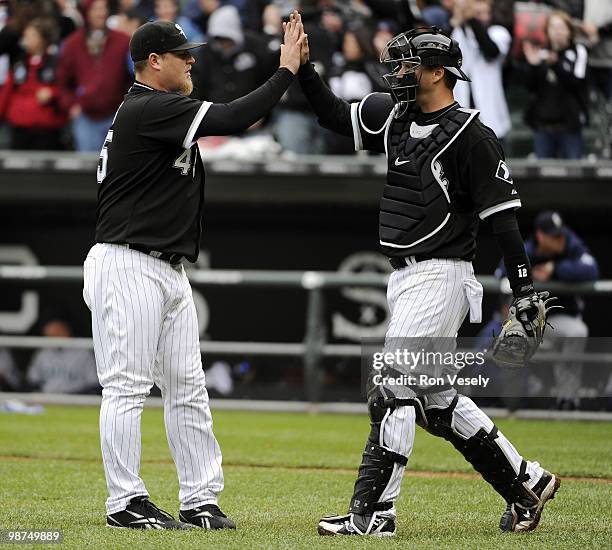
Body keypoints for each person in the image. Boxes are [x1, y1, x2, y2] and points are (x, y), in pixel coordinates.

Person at [296, 23, 560, 536]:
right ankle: (527, 482)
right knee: (436, 403)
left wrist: (524, 290)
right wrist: (302, 68)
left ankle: (374, 515)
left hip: (442, 274)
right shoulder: (395, 114)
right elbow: (333, 116)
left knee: (392, 388)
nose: (397, 72)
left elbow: (502, 220)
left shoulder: (473, 135)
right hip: (408, 278)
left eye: (408, 63)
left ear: (438, 72)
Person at [82, 15, 305, 529]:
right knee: (126, 387)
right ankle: (124, 502)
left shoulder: (158, 110)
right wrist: (285, 71)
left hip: (165, 266)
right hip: (128, 261)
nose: (192, 60)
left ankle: (200, 499)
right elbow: (231, 118)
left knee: (188, 387)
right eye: (183, 53)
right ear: (153, 61)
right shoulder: (148, 106)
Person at [497, 211, 599, 410]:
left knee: (577, 332)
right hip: (527, 323)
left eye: (561, 235)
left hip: (559, 321)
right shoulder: (526, 251)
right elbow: (501, 273)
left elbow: (591, 270)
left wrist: (556, 269)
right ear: (540, 235)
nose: (560, 240)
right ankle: (512, 404)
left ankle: (567, 401)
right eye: (554, 236)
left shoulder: (570, 244)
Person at [56, 0, 131, 152]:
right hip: (85, 117)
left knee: (114, 167)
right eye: (96, 9)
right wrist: (71, 105)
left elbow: (135, 76)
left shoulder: (123, 41)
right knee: (87, 168)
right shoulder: (72, 43)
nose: (101, 13)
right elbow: (62, 81)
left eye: (103, 9)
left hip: (116, 115)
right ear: (87, 13)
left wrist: (128, 105)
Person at [521, 10, 588, 159]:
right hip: (544, 125)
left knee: (573, 173)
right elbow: (530, 87)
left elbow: (577, 84)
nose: (557, 32)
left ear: (569, 31)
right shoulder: (541, 53)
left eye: (561, 27)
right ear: (547, 31)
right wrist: (533, 66)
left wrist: (556, 64)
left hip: (570, 125)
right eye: (553, 27)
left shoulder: (578, 52)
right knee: (544, 176)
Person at [0, 17, 68, 150]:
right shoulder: (19, 63)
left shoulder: (56, 63)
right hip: (20, 128)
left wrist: (52, 93)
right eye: (26, 36)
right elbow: (6, 93)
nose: (26, 40)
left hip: (47, 130)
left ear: (43, 39)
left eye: (31, 36)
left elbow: (66, 90)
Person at [451, 0, 512, 141]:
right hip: (464, 109)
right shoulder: (459, 32)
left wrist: (472, 20)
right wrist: (457, 20)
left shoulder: (498, 33)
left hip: (490, 114)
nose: (480, 17)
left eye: (483, 13)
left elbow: (491, 51)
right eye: (476, 13)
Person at [26, 318, 99, 394]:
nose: (53, 339)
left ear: (66, 331)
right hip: (47, 399)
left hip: (75, 400)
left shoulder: (84, 354)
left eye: (57, 334)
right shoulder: (42, 354)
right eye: (50, 336)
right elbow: (32, 382)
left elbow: (93, 385)